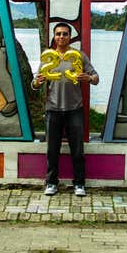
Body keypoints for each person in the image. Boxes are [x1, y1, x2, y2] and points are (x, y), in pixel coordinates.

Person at [32, 23, 98, 197]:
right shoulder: (48, 57)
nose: (61, 37)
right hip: (53, 109)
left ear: (70, 36)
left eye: (65, 34)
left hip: (74, 109)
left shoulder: (79, 56)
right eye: (58, 34)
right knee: (52, 149)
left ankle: (79, 184)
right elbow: (35, 83)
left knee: (77, 149)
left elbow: (96, 77)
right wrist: (37, 82)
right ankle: (51, 182)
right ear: (54, 37)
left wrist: (88, 78)